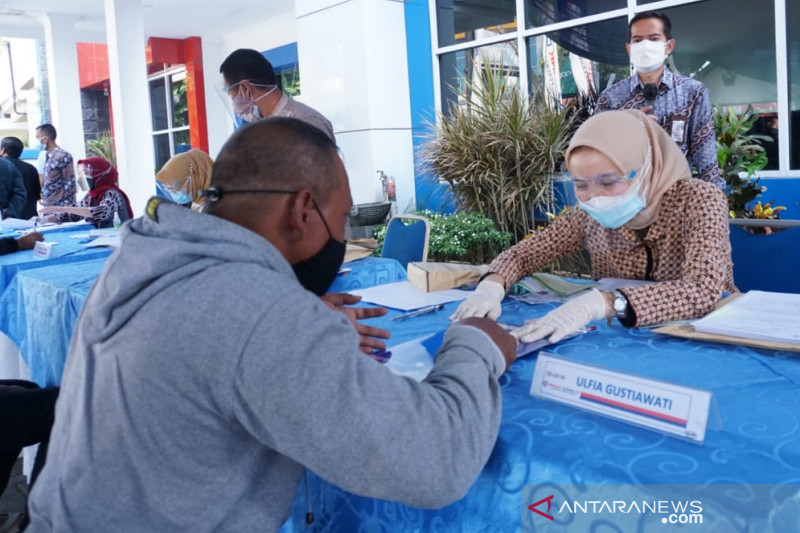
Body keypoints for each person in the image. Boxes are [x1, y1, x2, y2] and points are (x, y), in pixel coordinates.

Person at [27, 117, 516, 532]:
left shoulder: (145, 256)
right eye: (342, 219)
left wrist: (301, 325)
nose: (342, 236)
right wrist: (474, 345)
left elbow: (211, 345)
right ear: (302, 211)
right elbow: (434, 461)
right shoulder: (255, 311)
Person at [452, 109, 734, 342]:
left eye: (609, 182)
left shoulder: (699, 199)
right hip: (625, 340)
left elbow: (702, 289)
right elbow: (523, 254)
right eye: (580, 185)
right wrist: (491, 287)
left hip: (707, 336)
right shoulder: (588, 216)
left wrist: (602, 303)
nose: (594, 196)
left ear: (646, 166)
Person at [595, 12, 723, 190]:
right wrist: (624, 127)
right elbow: (596, 155)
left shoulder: (693, 92)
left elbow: (706, 161)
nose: (645, 46)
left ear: (669, 46)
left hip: (677, 200)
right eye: (637, 40)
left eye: (654, 38)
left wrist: (712, 205)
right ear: (629, 48)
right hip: (627, 201)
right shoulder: (610, 98)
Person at [219, 48, 335, 142]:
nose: (232, 99)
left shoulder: (306, 121)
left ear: (245, 88)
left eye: (229, 91)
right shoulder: (259, 126)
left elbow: (323, 170)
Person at [39, 157, 133, 229]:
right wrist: (44, 220)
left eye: (85, 173)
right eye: (80, 174)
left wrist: (64, 208)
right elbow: (74, 213)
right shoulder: (90, 195)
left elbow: (101, 212)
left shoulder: (112, 194)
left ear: (100, 174)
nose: (81, 177)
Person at [35, 124, 76, 208]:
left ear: (45, 139)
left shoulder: (63, 156)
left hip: (61, 206)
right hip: (49, 204)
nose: (37, 141)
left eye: (37, 137)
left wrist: (68, 207)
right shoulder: (45, 156)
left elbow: (69, 182)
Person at [1, 136, 41, 219]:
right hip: (30, 216)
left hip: (7, 218)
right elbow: (37, 195)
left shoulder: (5, 167)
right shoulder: (31, 168)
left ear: (3, 150)